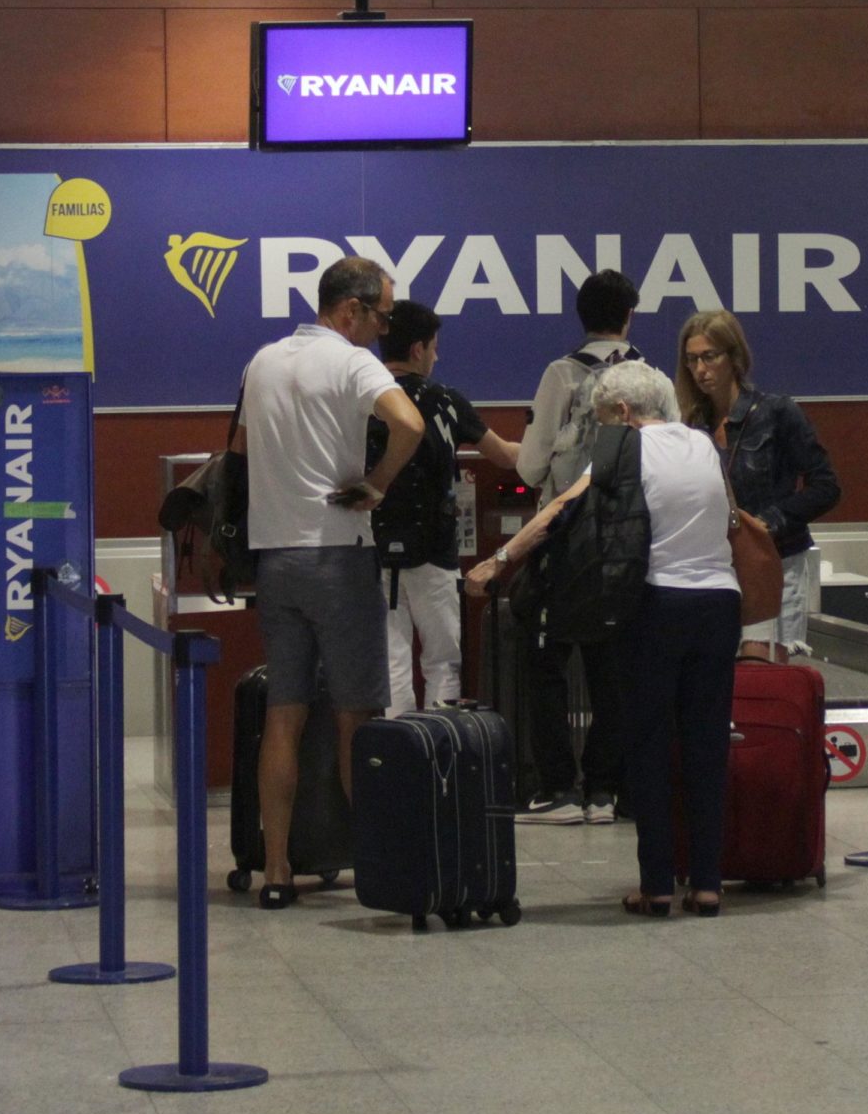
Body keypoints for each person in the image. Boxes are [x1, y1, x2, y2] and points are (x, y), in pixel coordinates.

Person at [467, 362, 739, 917]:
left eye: (598, 418)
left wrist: (499, 561)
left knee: (647, 743)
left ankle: (658, 884)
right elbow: (728, 515)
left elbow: (561, 510)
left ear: (620, 413)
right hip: (719, 601)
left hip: (656, 605)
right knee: (706, 745)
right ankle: (707, 883)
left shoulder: (622, 450)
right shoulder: (702, 444)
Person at [231, 256, 426, 907]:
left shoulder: (260, 361)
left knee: (283, 716)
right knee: (356, 719)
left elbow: (237, 451)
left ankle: (278, 870)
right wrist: (377, 482)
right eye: (382, 314)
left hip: (274, 559)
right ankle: (374, 865)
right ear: (351, 309)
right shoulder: (351, 360)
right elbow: (410, 424)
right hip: (337, 555)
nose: (384, 327)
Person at [512, 269, 645, 824]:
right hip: (626, 544)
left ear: (580, 315)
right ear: (629, 316)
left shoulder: (560, 374)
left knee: (542, 661)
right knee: (612, 667)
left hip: (561, 540)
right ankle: (605, 787)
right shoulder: (651, 379)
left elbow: (530, 464)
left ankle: (558, 788)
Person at [373, 299, 519, 715]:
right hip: (434, 550)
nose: (437, 355)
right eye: (434, 346)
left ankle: (396, 754)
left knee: (391, 661)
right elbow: (505, 456)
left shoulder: (363, 397)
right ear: (418, 349)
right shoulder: (444, 400)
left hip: (374, 547)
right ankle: (441, 756)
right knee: (442, 660)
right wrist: (554, 449)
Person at [677, 309, 839, 663]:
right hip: (714, 568)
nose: (700, 369)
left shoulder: (776, 412)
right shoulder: (691, 425)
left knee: (769, 675)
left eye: (709, 356)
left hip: (773, 561)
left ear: (734, 357)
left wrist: (769, 522)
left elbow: (826, 486)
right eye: (692, 360)